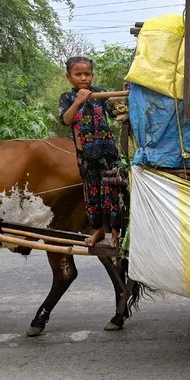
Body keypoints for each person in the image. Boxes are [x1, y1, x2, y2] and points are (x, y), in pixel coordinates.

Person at [58, 55, 125, 247]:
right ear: (69, 77)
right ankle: (98, 232)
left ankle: (115, 234)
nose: (83, 78)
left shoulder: (100, 94)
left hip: (109, 153)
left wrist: (120, 102)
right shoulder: (67, 98)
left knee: (112, 194)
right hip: (86, 156)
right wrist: (78, 101)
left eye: (87, 74)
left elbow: (115, 113)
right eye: (78, 74)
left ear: (92, 76)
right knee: (92, 195)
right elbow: (66, 120)